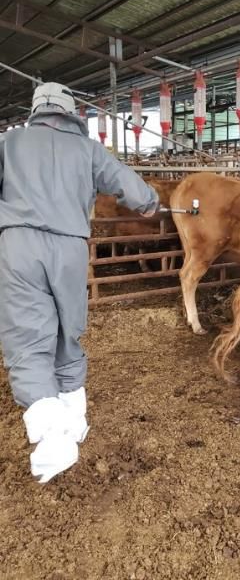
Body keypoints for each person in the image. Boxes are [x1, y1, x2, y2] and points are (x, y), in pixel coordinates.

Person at [0, 82, 160, 483]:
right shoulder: (88, 149)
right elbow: (133, 188)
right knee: (67, 330)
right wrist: (150, 203)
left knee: (28, 337)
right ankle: (72, 420)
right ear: (70, 112)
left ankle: (53, 433)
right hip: (71, 247)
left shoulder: (9, 142)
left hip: (18, 245)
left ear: (36, 110)